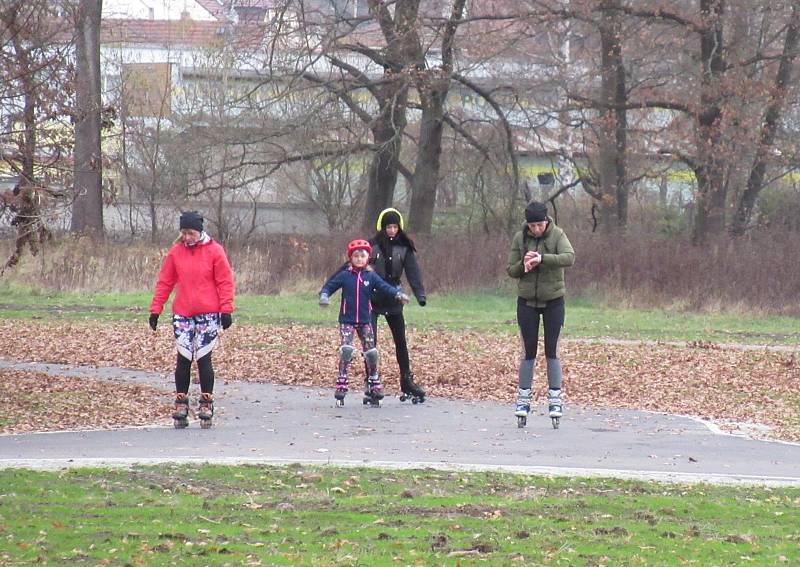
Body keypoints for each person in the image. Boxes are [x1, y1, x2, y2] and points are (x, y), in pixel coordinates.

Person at [322, 207, 428, 402]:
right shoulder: (371, 246)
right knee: (370, 345)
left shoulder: (405, 248)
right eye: (388, 226)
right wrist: (326, 290)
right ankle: (371, 383)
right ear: (382, 227)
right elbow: (349, 267)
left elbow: (413, 272)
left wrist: (420, 294)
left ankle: (406, 380)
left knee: (401, 342)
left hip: (393, 297)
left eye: (395, 226)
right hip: (372, 300)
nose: (392, 230)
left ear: (400, 227)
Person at [149, 210, 235, 429]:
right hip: (183, 314)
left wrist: (226, 309)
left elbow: (225, 281)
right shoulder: (176, 252)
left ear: (199, 231)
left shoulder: (215, 251)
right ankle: (181, 402)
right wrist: (156, 309)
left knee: (204, 359)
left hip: (208, 313)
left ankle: (206, 402)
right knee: (183, 358)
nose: (187, 237)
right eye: (184, 233)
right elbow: (165, 282)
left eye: (191, 233)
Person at [506, 200, 575, 429]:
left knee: (552, 350)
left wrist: (543, 259)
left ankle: (555, 398)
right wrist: (523, 265)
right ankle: (523, 397)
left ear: (546, 221)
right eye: (533, 225)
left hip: (554, 301)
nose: (537, 229)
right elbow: (511, 269)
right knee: (529, 350)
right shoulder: (520, 238)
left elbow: (569, 257)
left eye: (540, 224)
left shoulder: (558, 235)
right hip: (527, 302)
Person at [319, 239, 409, 407]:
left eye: (363, 256)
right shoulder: (345, 275)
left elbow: (385, 287)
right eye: (356, 256)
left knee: (371, 352)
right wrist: (324, 296)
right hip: (347, 320)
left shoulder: (371, 276)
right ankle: (342, 379)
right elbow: (329, 286)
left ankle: (373, 380)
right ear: (351, 258)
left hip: (365, 320)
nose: (359, 259)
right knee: (346, 350)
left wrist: (397, 295)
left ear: (368, 258)